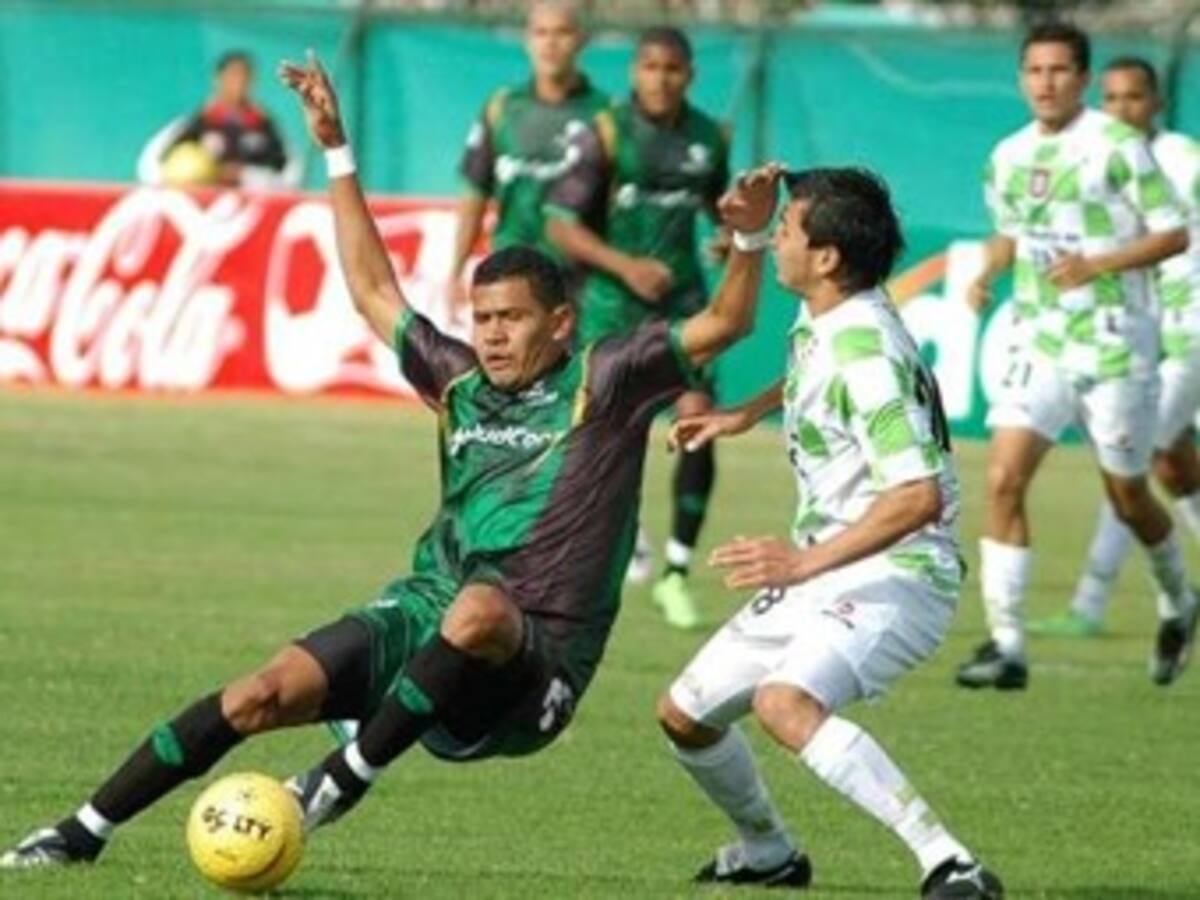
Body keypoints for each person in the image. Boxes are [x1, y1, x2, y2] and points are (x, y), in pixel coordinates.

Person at [0, 52, 775, 870]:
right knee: (257, 694)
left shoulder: (609, 380)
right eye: (483, 318)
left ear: (560, 323)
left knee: (479, 611)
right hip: (426, 612)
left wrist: (752, 235)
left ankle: (338, 780)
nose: (493, 334)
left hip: (532, 668)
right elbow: (374, 291)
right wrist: (336, 151)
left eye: (513, 318)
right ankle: (78, 831)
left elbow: (726, 321)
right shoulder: (460, 386)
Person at [654, 167, 1003, 899]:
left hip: (901, 571)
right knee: (684, 715)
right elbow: (812, 373)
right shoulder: (835, 317)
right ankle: (771, 852)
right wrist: (744, 413)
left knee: (785, 703)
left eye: (786, 229)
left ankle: (950, 862)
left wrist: (805, 561)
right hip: (829, 564)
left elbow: (917, 497)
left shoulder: (864, 351)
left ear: (827, 258)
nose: (776, 239)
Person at [955, 22, 1193, 691]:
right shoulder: (1006, 154)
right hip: (1040, 339)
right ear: (1021, 78)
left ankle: (1179, 597)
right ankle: (1007, 647)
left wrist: (1099, 263)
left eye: (1060, 71)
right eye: (1034, 71)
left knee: (1127, 497)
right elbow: (1010, 230)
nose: (1046, 83)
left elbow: (1174, 234)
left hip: (1117, 344)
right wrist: (986, 272)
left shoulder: (1116, 146)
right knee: (1002, 478)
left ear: (1082, 80)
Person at [544, 26, 731, 630]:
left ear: (690, 75)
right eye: (650, 67)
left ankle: (676, 571)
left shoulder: (707, 137)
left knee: (698, 425)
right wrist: (626, 266)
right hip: (610, 308)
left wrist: (730, 237)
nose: (660, 78)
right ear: (634, 72)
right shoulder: (604, 130)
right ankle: (607, 549)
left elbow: (718, 208)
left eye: (672, 68)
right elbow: (560, 225)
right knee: (597, 438)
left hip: (682, 308)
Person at [1030, 56, 1200, 638]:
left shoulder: (1183, 158)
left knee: (1133, 461)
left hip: (1190, 330)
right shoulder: (1099, 155)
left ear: (1155, 103)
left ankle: (1090, 602)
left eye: (1134, 98)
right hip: (1144, 330)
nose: (1122, 109)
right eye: (1112, 98)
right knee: (1176, 465)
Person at [447, 0, 609, 311]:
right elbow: (474, 197)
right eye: (541, 33)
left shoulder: (605, 115)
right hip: (510, 278)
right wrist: (456, 270)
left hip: (578, 286)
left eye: (562, 32)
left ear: (582, 40)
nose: (550, 43)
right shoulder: (501, 108)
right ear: (527, 40)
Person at [158, 51, 290, 188]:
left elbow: (282, 168)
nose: (239, 82)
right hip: (211, 197)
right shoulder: (204, 119)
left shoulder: (262, 122)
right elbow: (167, 157)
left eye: (244, 76)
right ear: (219, 78)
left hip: (252, 197)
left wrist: (245, 173)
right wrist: (214, 171)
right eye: (233, 75)